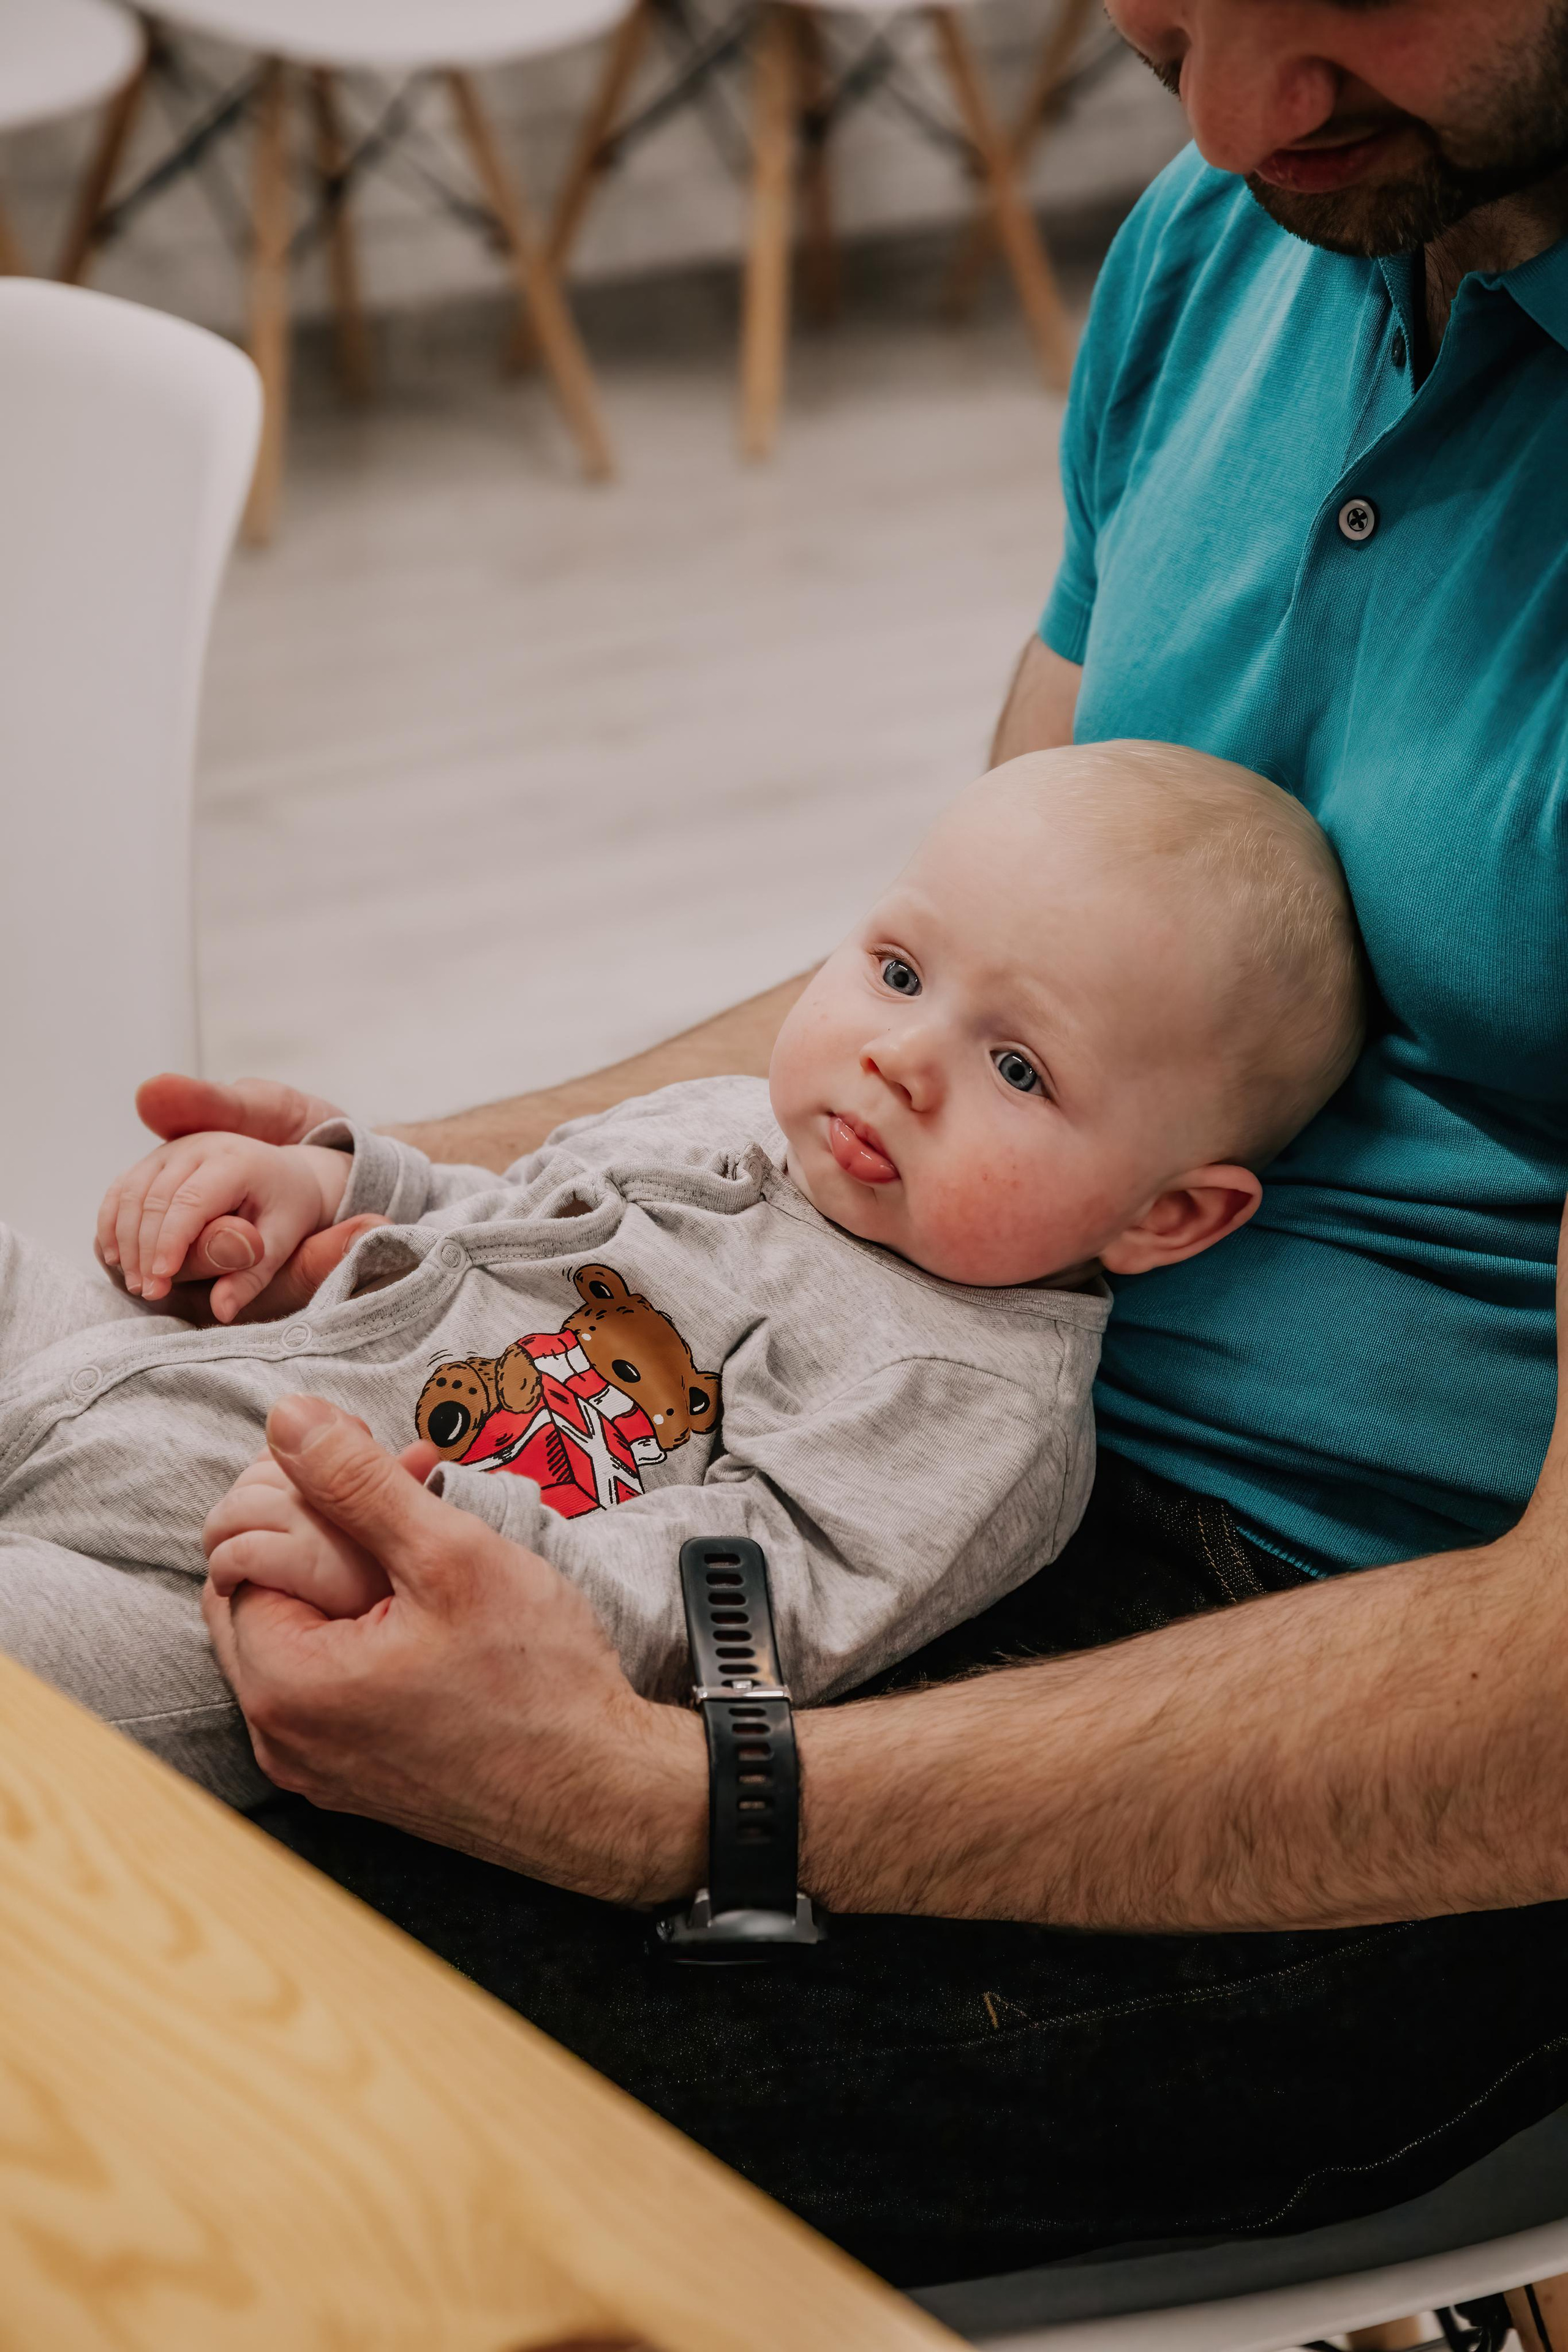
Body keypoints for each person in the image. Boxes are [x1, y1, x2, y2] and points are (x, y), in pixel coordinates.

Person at [77, 0, 1568, 2289]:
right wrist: (401, 1177)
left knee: (143, 2018)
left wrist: (665, 1799)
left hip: (1354, 1715)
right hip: (794, 1381)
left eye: (1356, 17)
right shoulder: (1231, 238)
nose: (1236, 123)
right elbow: (952, 977)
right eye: (1165, 16)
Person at [1, 744, 1362, 1801]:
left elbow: (739, 1603)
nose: (899, 1054)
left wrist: (428, 1562)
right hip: (152, 1368)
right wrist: (331, 1187)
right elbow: (509, 1209)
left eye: (1016, 1067)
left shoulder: (963, 1400)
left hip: (244, 1590)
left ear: (1168, 1215)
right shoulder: (734, 1121)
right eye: (895, 970)